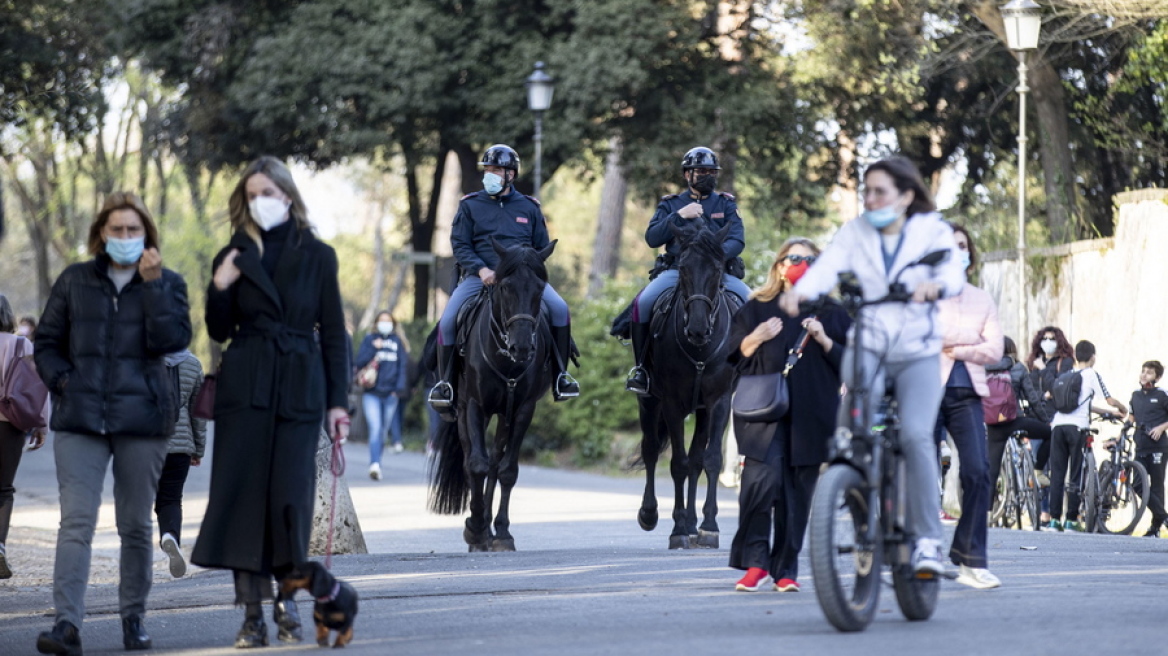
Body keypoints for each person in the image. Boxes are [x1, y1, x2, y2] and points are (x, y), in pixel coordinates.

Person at [190, 156, 351, 648]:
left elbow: (334, 335)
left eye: (269, 192)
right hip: (247, 387)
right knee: (242, 504)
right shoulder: (234, 254)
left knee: (289, 503)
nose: (262, 200)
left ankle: (291, 599)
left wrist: (338, 402)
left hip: (301, 386)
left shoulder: (319, 255)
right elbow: (219, 331)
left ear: (287, 195)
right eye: (252, 193)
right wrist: (218, 288)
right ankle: (253, 616)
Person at [781, 156, 965, 575]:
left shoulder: (931, 230)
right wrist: (801, 292)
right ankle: (854, 481)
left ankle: (926, 544)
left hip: (917, 351)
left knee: (918, 436)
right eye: (867, 191)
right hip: (872, 344)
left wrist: (935, 284)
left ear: (905, 196)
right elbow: (826, 266)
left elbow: (953, 271)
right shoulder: (856, 231)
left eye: (880, 191)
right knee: (853, 424)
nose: (871, 198)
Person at [33, 192, 192, 655]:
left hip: (142, 420)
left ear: (147, 235)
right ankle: (67, 625)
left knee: (136, 526)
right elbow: (46, 342)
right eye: (116, 229)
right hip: (81, 418)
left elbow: (173, 341)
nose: (125, 237)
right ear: (101, 232)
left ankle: (134, 619)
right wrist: (63, 382)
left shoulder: (168, 282)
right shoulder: (75, 280)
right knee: (76, 522)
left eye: (133, 230)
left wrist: (155, 286)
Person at [727, 238, 849, 592]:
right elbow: (731, 355)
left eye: (811, 259)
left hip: (813, 415)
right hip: (763, 414)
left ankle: (786, 570)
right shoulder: (757, 307)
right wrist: (755, 337)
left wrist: (824, 339)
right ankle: (755, 564)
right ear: (779, 265)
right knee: (760, 487)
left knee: (797, 496)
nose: (801, 264)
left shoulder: (833, 311)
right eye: (794, 258)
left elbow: (853, 363)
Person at [428, 144, 578, 412]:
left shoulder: (529, 207)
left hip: (520, 280)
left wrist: (527, 270)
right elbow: (460, 245)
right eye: (488, 169)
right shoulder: (470, 205)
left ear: (511, 174)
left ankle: (560, 377)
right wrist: (481, 269)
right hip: (480, 277)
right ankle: (445, 385)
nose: (490, 174)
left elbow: (541, 246)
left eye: (496, 169)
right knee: (449, 320)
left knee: (560, 309)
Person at [625, 146, 751, 395]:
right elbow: (652, 237)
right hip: (677, 270)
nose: (707, 176)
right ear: (687, 174)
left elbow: (737, 239)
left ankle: (749, 367)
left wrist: (713, 257)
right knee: (643, 302)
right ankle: (640, 368)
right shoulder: (672, 204)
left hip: (717, 272)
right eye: (701, 171)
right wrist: (680, 215)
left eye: (711, 172)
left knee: (752, 304)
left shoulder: (725, 204)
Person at [932, 224, 1003, 589]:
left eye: (962, 246)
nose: (957, 251)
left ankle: (970, 558)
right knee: (922, 471)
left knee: (977, 471)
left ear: (969, 256)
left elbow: (995, 349)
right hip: (926, 390)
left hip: (967, 394)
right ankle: (921, 550)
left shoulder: (981, 299)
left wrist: (956, 348)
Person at [1046, 340, 1127, 531]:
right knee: (1076, 472)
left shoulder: (1067, 375)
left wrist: (1103, 412)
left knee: (1057, 474)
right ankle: (1071, 520)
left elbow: (1083, 403)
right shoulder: (1091, 374)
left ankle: (1053, 520)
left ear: (1075, 357)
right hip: (1078, 428)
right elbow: (1109, 399)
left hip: (1058, 426)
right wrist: (1122, 408)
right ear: (1093, 357)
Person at [0, 294, 48, 580]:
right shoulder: (22, 344)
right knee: (4, 488)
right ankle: (0, 546)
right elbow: (36, 387)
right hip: (11, 424)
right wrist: (41, 425)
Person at [154, 349, 206, 578]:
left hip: (145, 444)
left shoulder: (139, 357)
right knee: (171, 498)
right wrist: (198, 448)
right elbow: (199, 412)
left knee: (137, 500)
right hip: (180, 446)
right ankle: (170, 535)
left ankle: (133, 559)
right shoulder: (193, 364)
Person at [984, 336, 1053, 495]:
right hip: (1015, 420)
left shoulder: (983, 367)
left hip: (993, 424)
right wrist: (1045, 420)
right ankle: (1038, 470)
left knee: (992, 471)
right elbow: (1033, 399)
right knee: (1051, 434)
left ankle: (986, 513)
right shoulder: (1018, 367)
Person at [354, 311, 409, 480]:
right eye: (381, 321)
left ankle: (377, 461)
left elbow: (402, 367)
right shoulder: (369, 339)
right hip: (372, 393)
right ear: (376, 323)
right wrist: (373, 348)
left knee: (383, 432)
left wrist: (398, 389)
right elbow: (359, 362)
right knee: (375, 428)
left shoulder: (397, 342)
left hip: (391, 394)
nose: (385, 324)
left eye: (388, 321)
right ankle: (375, 464)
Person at [1128, 360, 1168, 537]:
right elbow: (1131, 419)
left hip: (1158, 447)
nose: (1144, 375)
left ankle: (1155, 527)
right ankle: (1164, 517)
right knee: (1137, 484)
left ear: (1157, 377)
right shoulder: (1135, 395)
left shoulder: (1162, 395)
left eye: (1149, 372)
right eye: (1143, 371)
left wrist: (1161, 428)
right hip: (1140, 446)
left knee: (1157, 486)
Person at [1026, 326, 1075, 420]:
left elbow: (1057, 389)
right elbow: (1027, 390)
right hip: (1034, 415)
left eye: (1052, 339)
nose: (1048, 342)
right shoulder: (1035, 361)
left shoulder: (1065, 362)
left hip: (1055, 416)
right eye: (1044, 339)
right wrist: (1043, 396)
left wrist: (1043, 368)